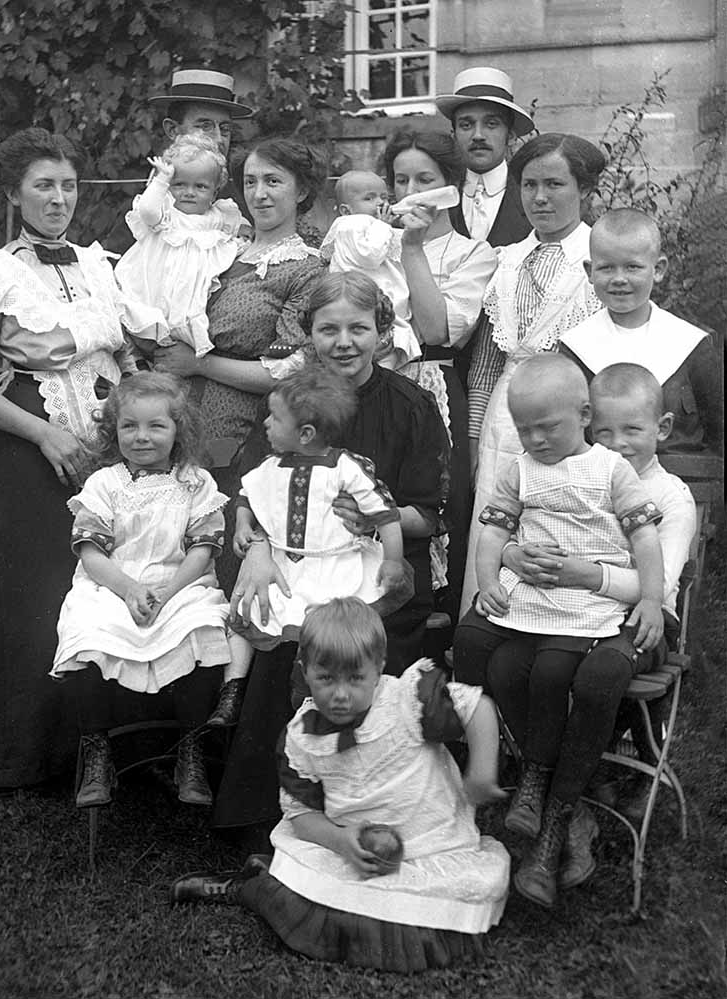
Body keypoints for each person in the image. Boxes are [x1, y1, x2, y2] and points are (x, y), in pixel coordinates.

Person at [0, 127, 164, 788]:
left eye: (67, 185)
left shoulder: (100, 266)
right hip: (29, 454)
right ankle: (13, 757)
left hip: (105, 451)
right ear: (14, 193)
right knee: (28, 597)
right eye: (43, 185)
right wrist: (42, 434)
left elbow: (127, 356)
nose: (58, 198)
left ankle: (95, 753)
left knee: (102, 589)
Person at [211, 271, 450, 833]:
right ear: (307, 332)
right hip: (295, 562)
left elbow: (431, 513)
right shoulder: (293, 399)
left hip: (381, 571)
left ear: (382, 331)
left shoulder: (410, 405)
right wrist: (262, 548)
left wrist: (372, 522)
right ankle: (268, 814)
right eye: (328, 329)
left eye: (358, 328)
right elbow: (255, 486)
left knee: (350, 653)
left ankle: (367, 808)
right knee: (279, 638)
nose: (343, 342)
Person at [462, 363, 696, 908]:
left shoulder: (668, 494)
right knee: (506, 665)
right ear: (591, 426)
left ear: (658, 429)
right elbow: (517, 528)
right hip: (563, 608)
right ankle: (553, 791)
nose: (617, 444)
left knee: (597, 674)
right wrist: (516, 559)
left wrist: (584, 574)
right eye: (606, 433)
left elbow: (655, 587)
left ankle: (558, 813)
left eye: (630, 431)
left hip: (637, 614)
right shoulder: (563, 468)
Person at [170, 598, 509, 973]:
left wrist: (481, 771)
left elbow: (477, 708)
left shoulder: (409, 700)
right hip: (349, 844)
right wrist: (341, 842)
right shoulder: (301, 737)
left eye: (356, 678)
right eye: (326, 679)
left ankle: (273, 877)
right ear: (305, 670)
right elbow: (302, 817)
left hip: (431, 843)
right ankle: (251, 887)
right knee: (314, 906)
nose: (341, 694)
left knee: (429, 916)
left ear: (379, 666)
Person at [50, 373, 253, 807]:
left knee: (204, 629)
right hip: (113, 584)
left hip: (182, 585)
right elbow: (91, 553)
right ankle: (96, 748)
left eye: (156, 426)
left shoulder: (196, 483)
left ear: (178, 429)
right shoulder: (104, 485)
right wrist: (128, 590)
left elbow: (202, 551)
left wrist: (165, 595)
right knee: (88, 629)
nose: (142, 437)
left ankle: (191, 746)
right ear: (114, 430)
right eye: (129, 427)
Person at [153, 137, 326, 588]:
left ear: (302, 191)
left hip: (239, 432)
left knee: (219, 558)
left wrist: (199, 365)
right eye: (250, 182)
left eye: (273, 181)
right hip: (170, 415)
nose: (259, 194)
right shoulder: (217, 245)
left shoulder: (306, 268)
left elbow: (289, 371)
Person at [461, 132, 607, 617]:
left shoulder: (599, 260)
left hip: (569, 417)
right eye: (529, 185)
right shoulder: (506, 260)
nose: (540, 198)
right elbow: (485, 362)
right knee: (497, 521)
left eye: (555, 185)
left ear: (584, 190)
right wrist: (475, 433)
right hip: (504, 416)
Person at [382, 129, 498, 616]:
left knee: (432, 502)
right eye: (401, 179)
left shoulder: (474, 254)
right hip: (376, 385)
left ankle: (433, 620)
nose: (411, 192)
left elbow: (436, 328)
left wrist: (412, 250)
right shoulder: (372, 246)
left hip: (432, 386)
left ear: (450, 185)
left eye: (424, 178)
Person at [233, 365, 407, 647]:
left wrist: (392, 560)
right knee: (285, 627)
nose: (265, 423)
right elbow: (248, 496)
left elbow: (385, 516)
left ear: (305, 434)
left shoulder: (345, 468)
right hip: (288, 567)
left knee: (336, 636)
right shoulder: (271, 466)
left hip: (338, 566)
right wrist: (242, 524)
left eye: (275, 418)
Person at [560, 208, 723, 453]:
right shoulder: (575, 348)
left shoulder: (691, 344)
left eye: (632, 267)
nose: (619, 278)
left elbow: (717, 430)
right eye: (606, 268)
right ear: (589, 272)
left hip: (685, 479)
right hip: (601, 483)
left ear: (658, 269)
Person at [114, 133, 249, 359]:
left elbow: (242, 235)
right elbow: (147, 210)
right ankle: (136, 359)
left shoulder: (220, 216)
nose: (189, 192)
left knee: (182, 329)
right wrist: (161, 179)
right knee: (141, 321)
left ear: (215, 192)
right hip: (155, 283)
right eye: (179, 185)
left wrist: (245, 237)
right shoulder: (166, 215)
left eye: (201, 187)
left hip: (191, 289)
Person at [319, 169, 420, 370]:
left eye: (384, 197)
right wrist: (383, 226)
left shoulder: (371, 225)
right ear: (346, 210)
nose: (380, 203)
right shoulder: (353, 224)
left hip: (380, 310)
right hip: (362, 304)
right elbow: (370, 255)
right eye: (369, 198)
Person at [436, 66, 534, 247]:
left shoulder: (532, 196)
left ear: (510, 136)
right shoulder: (438, 197)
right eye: (466, 125)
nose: (478, 135)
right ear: (454, 135)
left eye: (491, 124)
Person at [149, 68, 253, 156]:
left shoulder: (242, 178)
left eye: (225, 129)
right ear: (173, 130)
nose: (219, 139)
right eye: (205, 126)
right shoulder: (160, 180)